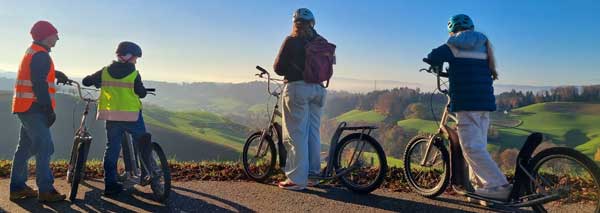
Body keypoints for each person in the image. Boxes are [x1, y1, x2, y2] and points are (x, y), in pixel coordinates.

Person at [425, 14, 509, 200]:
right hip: (484, 102)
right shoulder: (484, 44)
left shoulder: (455, 43)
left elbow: (433, 55)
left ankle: (499, 186)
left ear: (452, 30)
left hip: (467, 101)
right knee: (479, 147)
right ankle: (481, 189)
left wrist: (436, 65)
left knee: (471, 148)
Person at [9, 20, 71, 202]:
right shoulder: (41, 55)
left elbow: (36, 73)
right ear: (45, 36)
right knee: (45, 147)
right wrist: (48, 109)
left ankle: (18, 188)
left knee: (24, 148)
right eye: (55, 34)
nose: (58, 38)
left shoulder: (34, 52)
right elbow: (39, 83)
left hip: (24, 107)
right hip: (34, 108)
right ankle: (46, 190)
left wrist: (55, 73)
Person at [82, 41, 152, 196]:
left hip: (112, 117)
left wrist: (96, 82)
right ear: (128, 57)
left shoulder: (105, 71)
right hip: (132, 117)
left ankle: (110, 185)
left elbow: (86, 81)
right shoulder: (134, 73)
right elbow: (141, 93)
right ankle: (149, 173)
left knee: (112, 149)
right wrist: (143, 92)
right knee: (142, 142)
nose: (136, 61)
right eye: (135, 58)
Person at [273, 8, 328, 191]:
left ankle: (296, 179)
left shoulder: (291, 41)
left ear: (295, 23)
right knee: (313, 133)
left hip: (297, 89)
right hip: (319, 90)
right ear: (313, 23)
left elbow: (278, 68)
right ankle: (313, 175)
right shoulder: (321, 42)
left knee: (296, 134)